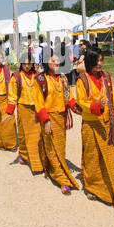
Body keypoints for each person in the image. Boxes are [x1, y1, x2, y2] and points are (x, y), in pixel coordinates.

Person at [75, 47, 114, 209]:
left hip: (107, 124)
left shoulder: (107, 77)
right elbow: (82, 102)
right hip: (91, 124)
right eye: (97, 61)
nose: (100, 64)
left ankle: (113, 185)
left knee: (111, 155)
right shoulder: (82, 80)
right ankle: (92, 187)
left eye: (102, 60)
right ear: (90, 61)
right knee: (93, 156)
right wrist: (98, 105)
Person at [33, 53, 81, 195]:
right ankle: (62, 179)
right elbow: (38, 102)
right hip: (48, 117)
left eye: (58, 60)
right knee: (51, 148)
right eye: (53, 60)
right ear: (46, 62)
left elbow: (69, 97)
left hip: (61, 117)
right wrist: (46, 120)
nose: (57, 63)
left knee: (60, 148)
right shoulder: (40, 79)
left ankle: (58, 170)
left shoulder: (64, 78)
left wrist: (77, 109)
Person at [4, 52, 43, 173]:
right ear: (21, 64)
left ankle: (36, 159)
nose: (27, 66)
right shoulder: (16, 76)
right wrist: (10, 112)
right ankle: (23, 154)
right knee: (23, 133)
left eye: (29, 63)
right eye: (24, 63)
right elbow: (12, 95)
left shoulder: (37, 75)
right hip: (23, 108)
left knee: (36, 135)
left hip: (36, 109)